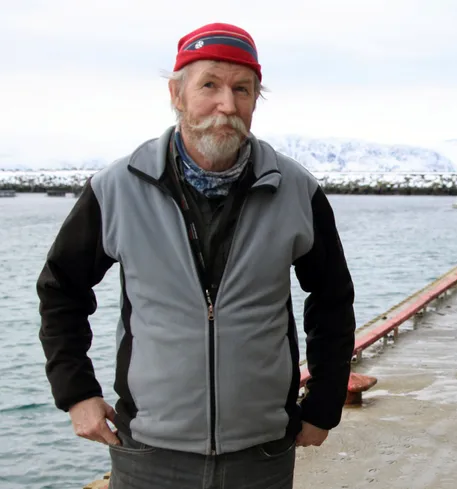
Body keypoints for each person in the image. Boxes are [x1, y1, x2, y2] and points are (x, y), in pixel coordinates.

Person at [36, 22, 357, 489]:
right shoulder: (118, 189)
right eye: (210, 85)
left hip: (262, 452)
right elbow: (61, 289)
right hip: (148, 451)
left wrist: (324, 403)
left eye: (242, 89)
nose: (227, 105)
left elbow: (331, 300)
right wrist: (76, 392)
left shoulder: (296, 191)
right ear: (177, 93)